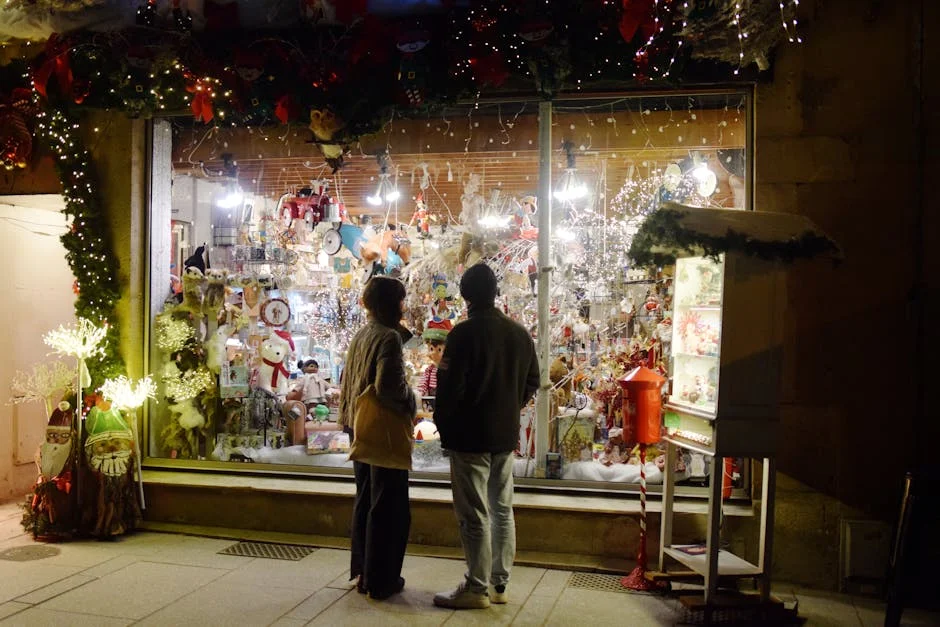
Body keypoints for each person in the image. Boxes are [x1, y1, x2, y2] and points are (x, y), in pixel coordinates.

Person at [432, 263, 540, 609]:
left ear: (465, 295)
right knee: (502, 509)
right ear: (496, 293)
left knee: (474, 513)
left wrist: (444, 427)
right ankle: (499, 585)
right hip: (503, 437)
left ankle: (476, 587)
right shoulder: (519, 333)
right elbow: (532, 381)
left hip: (468, 437)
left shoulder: (462, 335)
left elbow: (448, 390)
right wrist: (509, 407)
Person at [338, 276, 416, 600]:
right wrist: (411, 400)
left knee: (366, 500)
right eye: (400, 301)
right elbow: (389, 387)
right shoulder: (388, 338)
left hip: (359, 426)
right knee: (389, 506)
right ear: (391, 304)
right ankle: (382, 579)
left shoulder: (362, 335)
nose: (403, 307)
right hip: (381, 430)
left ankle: (364, 575)